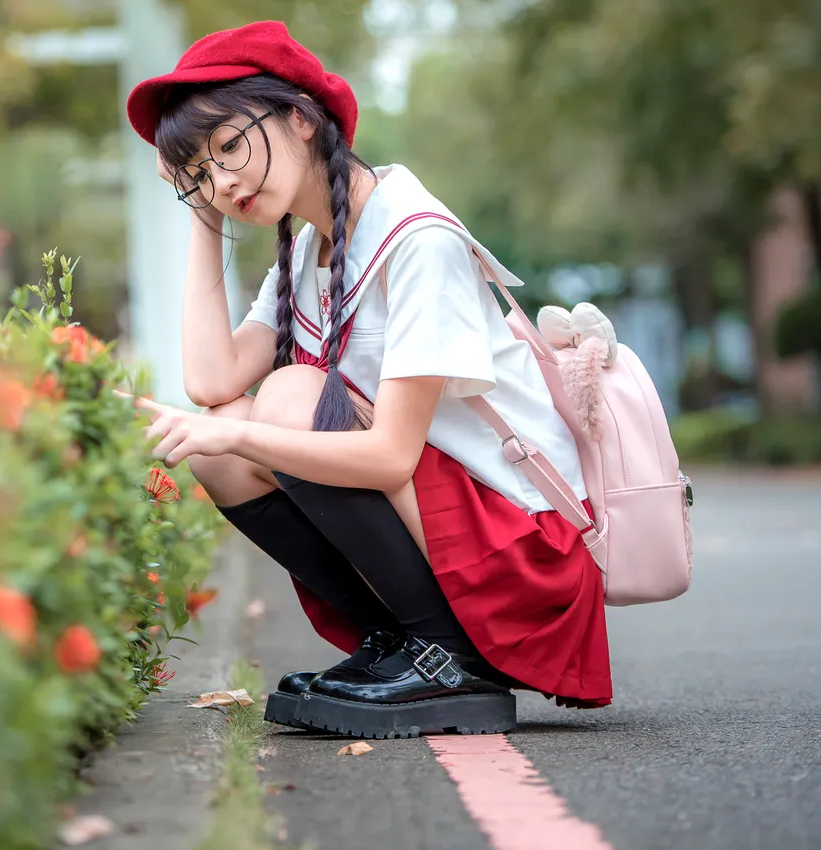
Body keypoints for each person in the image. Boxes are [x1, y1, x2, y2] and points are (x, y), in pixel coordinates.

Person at [123, 21, 612, 739]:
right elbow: (212, 379)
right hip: (450, 536)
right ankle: (400, 641)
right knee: (218, 449)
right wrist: (201, 219)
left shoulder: (416, 240)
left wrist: (240, 427)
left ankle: (446, 655)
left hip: (526, 566)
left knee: (285, 400)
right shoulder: (308, 254)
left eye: (229, 145)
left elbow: (389, 457)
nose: (224, 182)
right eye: (200, 172)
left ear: (298, 117)